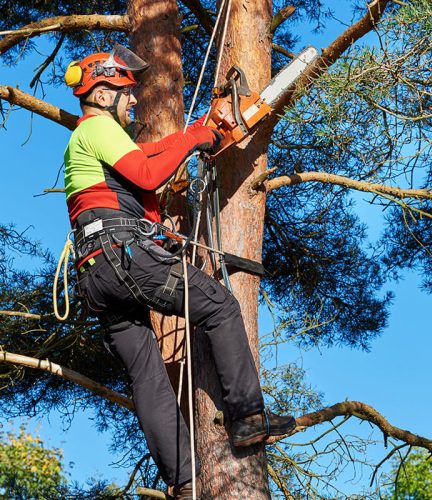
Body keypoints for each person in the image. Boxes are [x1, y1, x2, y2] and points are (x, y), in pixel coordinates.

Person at [63, 44, 296, 498]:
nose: (133, 102)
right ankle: (247, 417)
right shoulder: (97, 128)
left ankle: (184, 483)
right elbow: (149, 175)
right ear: (104, 92)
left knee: (147, 376)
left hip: (97, 275)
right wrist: (194, 138)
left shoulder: (91, 143)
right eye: (127, 93)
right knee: (220, 306)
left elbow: (146, 160)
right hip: (122, 256)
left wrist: (199, 132)